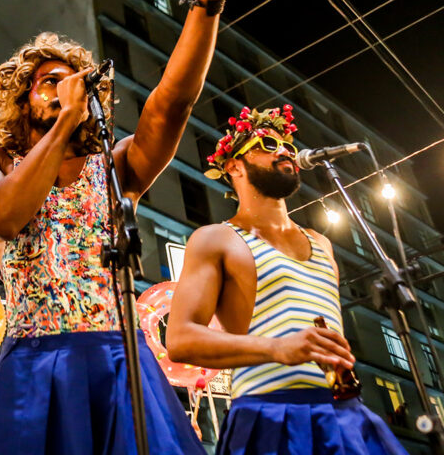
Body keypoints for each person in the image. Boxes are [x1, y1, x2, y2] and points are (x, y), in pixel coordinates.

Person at [0, 0, 281, 454]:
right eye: (46, 82)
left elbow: (172, 102)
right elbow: (2, 215)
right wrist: (63, 124)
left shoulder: (114, 164)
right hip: (34, 362)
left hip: (119, 356)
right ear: (22, 100)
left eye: (69, 79)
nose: (60, 88)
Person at [166, 105, 409, 454]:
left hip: (344, 415)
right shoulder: (216, 238)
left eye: (288, 147)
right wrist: (277, 347)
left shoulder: (322, 243)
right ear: (234, 166)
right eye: (267, 143)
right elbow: (180, 339)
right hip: (269, 416)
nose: (284, 151)